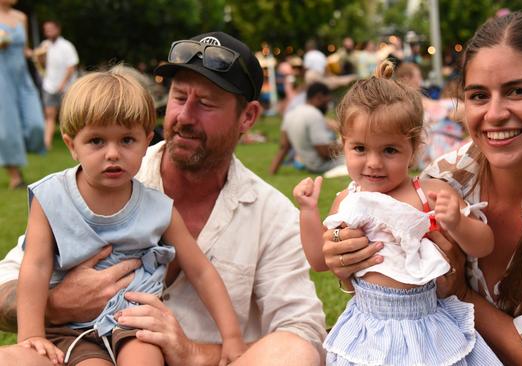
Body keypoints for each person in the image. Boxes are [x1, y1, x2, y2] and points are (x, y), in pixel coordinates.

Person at [320, 12, 522, 365]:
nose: (494, 114)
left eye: (517, 91)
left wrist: (462, 293)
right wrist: (348, 260)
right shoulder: (446, 179)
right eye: (479, 96)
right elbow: (395, 294)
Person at [0, 31, 326, 366]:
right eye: (179, 97)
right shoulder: (97, 181)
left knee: (294, 353)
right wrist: (56, 304)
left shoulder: (272, 216)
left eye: (206, 103)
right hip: (80, 347)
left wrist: (193, 353)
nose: (184, 116)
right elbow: (13, 278)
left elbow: (303, 333)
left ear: (248, 117)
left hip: (173, 356)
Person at [16, 68, 246, 366]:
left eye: (127, 140)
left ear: (146, 141)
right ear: (72, 145)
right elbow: (35, 266)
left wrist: (232, 337)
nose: (113, 153)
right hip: (73, 330)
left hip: (136, 321)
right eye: (97, 141)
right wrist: (30, 334)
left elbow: (200, 270)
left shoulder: (158, 208)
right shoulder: (51, 199)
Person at [292, 60, 501, 365]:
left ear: (413, 148)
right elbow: (319, 261)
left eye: (389, 150)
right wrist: (308, 212)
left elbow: (484, 244)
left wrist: (457, 223)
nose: (374, 163)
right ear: (344, 145)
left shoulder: (428, 193)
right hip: (367, 325)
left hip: (426, 325)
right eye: (360, 149)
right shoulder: (348, 200)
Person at [0, 0, 45, 189]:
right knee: (7, 128)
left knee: (36, 123)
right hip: (2, 78)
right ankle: (15, 176)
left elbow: (24, 49)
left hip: (22, 78)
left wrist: (36, 54)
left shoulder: (21, 17)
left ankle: (21, 151)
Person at [395, 62, 466, 170]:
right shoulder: (408, 102)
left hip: (427, 153)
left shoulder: (400, 101)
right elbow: (433, 107)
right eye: (418, 76)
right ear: (407, 78)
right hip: (431, 153)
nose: (420, 80)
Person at [269, 81, 343, 175]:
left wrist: (272, 171)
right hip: (323, 166)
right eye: (327, 101)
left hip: (310, 166)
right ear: (319, 97)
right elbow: (324, 153)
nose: (327, 106)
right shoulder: (314, 114)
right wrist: (343, 144)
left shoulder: (290, 114)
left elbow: (284, 147)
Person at [37, 20, 78, 150]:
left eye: (50, 28)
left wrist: (62, 84)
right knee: (49, 115)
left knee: (69, 116)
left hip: (65, 87)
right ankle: (47, 144)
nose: (48, 31)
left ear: (58, 29)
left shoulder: (66, 46)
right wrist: (40, 59)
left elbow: (71, 67)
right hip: (49, 86)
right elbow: (43, 67)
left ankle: (75, 142)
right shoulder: (44, 45)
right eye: (46, 29)